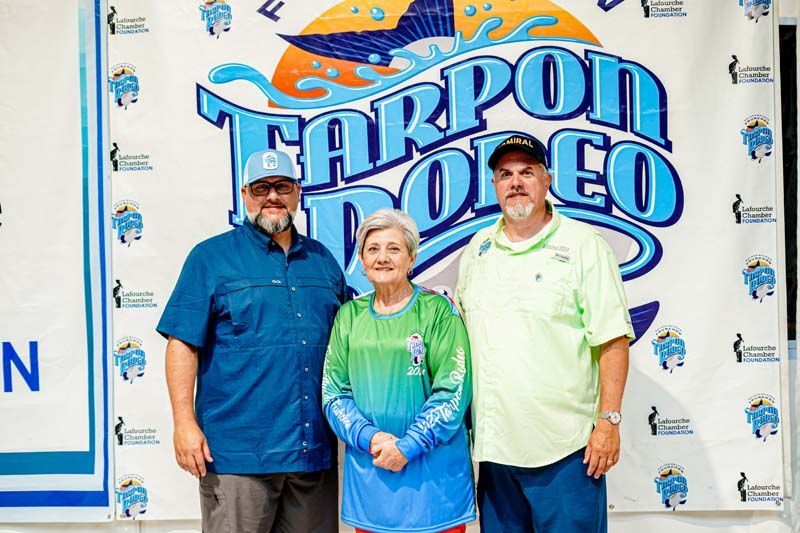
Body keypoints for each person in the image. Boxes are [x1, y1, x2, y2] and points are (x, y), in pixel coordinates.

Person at [156, 148, 347, 533]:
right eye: (261, 187)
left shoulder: (323, 261)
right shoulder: (210, 257)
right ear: (245, 195)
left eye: (281, 186)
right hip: (237, 457)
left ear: (297, 192)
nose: (272, 196)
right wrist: (183, 423)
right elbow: (182, 345)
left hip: (312, 456)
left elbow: (354, 338)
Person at [456, 134, 634, 532]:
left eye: (527, 172)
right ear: (494, 186)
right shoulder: (478, 249)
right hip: (495, 452)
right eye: (505, 174)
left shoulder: (583, 244)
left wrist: (609, 423)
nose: (515, 182)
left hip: (566, 452)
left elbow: (612, 340)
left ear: (547, 180)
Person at [322, 208, 476, 533]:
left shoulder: (438, 312)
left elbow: (453, 392)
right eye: (373, 249)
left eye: (394, 248)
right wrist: (372, 438)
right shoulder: (349, 316)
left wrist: (406, 447)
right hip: (372, 480)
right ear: (361, 261)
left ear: (411, 257)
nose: (382, 258)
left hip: (435, 487)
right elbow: (334, 394)